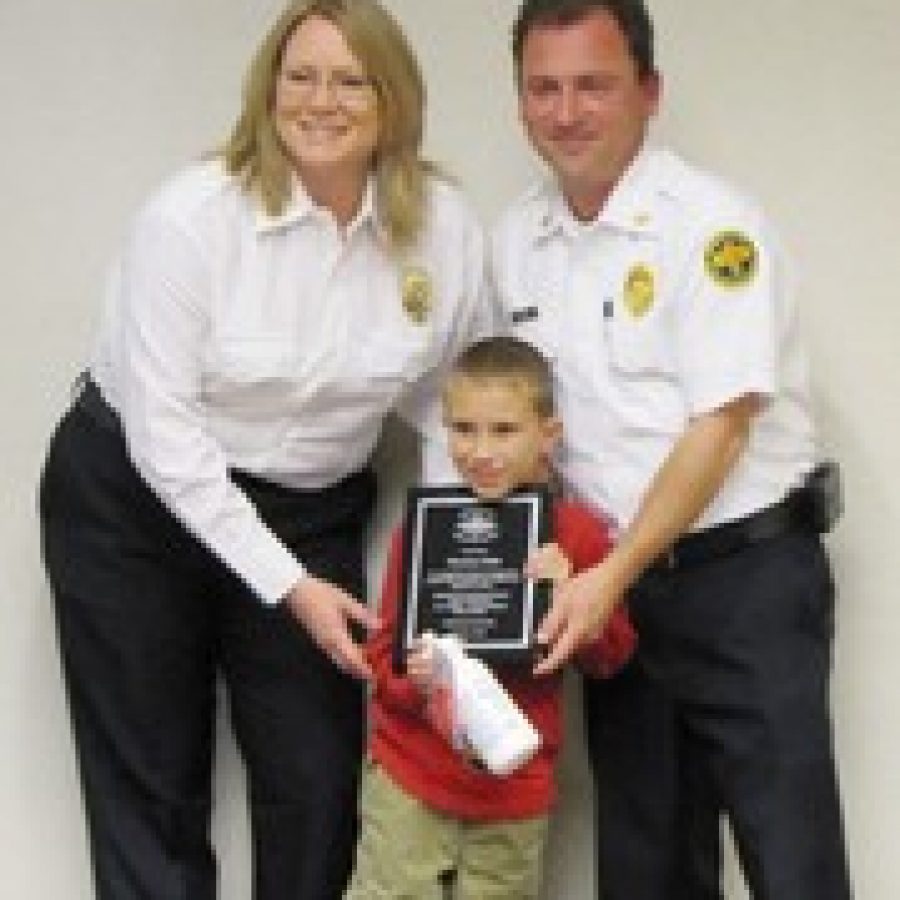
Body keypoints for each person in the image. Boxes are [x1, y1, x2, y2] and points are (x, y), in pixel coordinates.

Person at [37, 2, 488, 898]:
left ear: (392, 98)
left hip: (308, 506)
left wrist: (457, 577)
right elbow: (166, 441)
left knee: (317, 785)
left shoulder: (444, 229)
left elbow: (460, 411)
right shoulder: (190, 220)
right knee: (151, 787)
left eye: (350, 79)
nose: (322, 101)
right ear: (268, 90)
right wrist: (284, 586)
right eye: (301, 76)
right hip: (133, 505)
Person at [492, 1, 853, 898]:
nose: (567, 111)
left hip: (745, 584)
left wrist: (607, 578)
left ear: (648, 93)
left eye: (593, 86)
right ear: (520, 103)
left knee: (791, 861)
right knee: (646, 865)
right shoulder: (513, 246)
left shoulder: (712, 229)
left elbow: (720, 427)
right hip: (615, 597)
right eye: (544, 88)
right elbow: (507, 421)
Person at [344, 336, 637, 899]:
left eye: (503, 431)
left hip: (514, 783)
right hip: (412, 770)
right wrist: (417, 682)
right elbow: (383, 654)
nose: (481, 451)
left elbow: (613, 656)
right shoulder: (425, 532)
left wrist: (569, 596)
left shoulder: (575, 535)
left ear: (548, 436)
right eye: (463, 429)